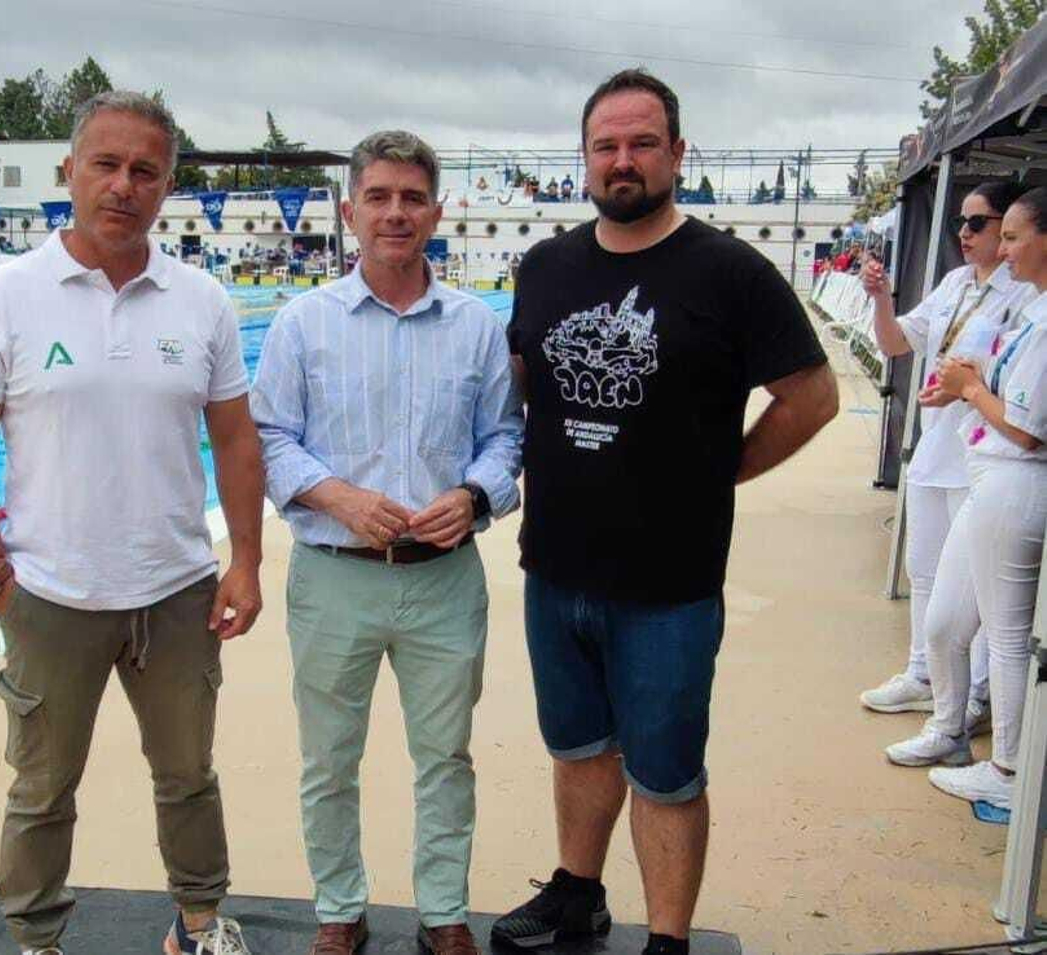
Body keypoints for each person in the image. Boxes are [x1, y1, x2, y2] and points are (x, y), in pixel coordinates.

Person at [498, 69, 837, 955]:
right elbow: (524, 386)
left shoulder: (730, 271)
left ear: (678, 153)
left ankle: (669, 939)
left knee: (667, 773)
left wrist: (724, 470)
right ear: (583, 157)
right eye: (606, 144)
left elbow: (812, 395)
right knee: (576, 748)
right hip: (555, 568)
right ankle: (577, 891)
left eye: (642, 142)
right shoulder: (546, 266)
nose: (623, 160)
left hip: (670, 585)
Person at [0, 90, 263, 955]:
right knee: (42, 786)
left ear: (167, 187)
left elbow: (235, 440)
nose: (124, 185)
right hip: (50, 592)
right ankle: (37, 938)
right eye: (107, 164)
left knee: (188, 776)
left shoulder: (202, 301)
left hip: (176, 588)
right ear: (69, 172)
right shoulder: (2, 298)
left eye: (145, 170)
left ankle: (200, 921)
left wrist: (246, 562)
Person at [251, 129, 524, 955]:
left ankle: (443, 911)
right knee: (328, 760)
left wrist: (474, 495)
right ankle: (341, 905)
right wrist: (335, 495)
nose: (396, 213)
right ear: (351, 211)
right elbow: (268, 436)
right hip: (334, 575)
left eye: (412, 197)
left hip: (443, 578)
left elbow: (506, 435)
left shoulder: (476, 326)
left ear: (436, 211)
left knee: (446, 756)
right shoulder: (305, 323)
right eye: (379, 196)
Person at [858, 183, 1035, 747]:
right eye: (964, 222)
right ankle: (923, 677)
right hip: (938, 446)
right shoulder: (955, 283)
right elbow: (895, 343)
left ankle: (976, 700)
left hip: (988, 456)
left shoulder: (1024, 295)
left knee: (986, 600)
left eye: (981, 225)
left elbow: (1016, 399)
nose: (966, 233)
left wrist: (967, 389)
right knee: (928, 571)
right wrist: (881, 297)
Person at [913, 186, 1047, 809]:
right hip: (991, 474)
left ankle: (1013, 768)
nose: (1007, 251)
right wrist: (967, 386)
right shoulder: (1037, 313)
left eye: (1016, 237)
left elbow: (1025, 426)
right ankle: (947, 727)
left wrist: (969, 390)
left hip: (1016, 479)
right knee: (944, 621)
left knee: (1008, 636)